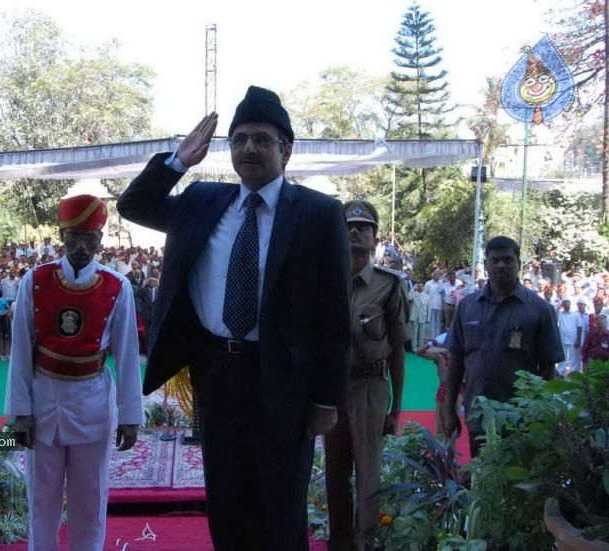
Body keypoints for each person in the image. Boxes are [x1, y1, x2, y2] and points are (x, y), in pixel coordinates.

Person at [117, 86, 350, 551]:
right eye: (239, 138)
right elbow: (134, 206)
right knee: (226, 500)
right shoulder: (203, 201)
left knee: (281, 505)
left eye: (262, 139)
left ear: (286, 149)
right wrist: (179, 161)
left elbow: (334, 313)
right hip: (217, 373)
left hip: (285, 380)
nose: (249, 148)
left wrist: (327, 399)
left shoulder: (319, 213)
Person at [5, 194, 142, 551]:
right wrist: (19, 413)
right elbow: (20, 351)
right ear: (61, 236)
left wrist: (130, 416)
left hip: (93, 402)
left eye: (89, 238)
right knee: (42, 499)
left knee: (90, 499)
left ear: (101, 238)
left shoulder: (117, 287)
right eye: (73, 237)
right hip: (42, 402)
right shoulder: (34, 281)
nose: (81, 246)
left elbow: (127, 356)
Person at [324, 200, 405, 551]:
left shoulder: (388, 285)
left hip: (371, 387)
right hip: (332, 388)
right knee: (334, 472)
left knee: (368, 473)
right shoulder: (324, 280)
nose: (355, 231)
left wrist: (395, 408)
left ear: (375, 239)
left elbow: (398, 349)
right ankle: (339, 540)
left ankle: (365, 541)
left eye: (364, 227)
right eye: (349, 226)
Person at [443, 236, 564, 457]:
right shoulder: (468, 307)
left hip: (522, 418)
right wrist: (450, 410)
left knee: (517, 483)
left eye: (507, 260)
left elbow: (548, 369)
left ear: (518, 264)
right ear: (486, 264)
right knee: (481, 478)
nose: (500, 265)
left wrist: (540, 416)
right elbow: (456, 362)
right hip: (478, 413)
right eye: (495, 260)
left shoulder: (539, 309)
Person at [558, 298, 584, 376]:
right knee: (562, 356)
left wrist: (578, 340)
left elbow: (579, 327)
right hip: (563, 338)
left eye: (567, 302)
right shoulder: (560, 314)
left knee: (574, 357)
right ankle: (560, 372)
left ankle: (574, 373)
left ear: (570, 304)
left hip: (573, 338)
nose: (566, 304)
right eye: (564, 303)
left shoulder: (576, 314)